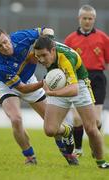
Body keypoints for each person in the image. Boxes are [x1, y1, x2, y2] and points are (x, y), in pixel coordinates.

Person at [0, 28, 78, 166]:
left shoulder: (21, 37)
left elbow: (45, 30)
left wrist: (49, 38)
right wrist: (44, 82)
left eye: (5, 42)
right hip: (8, 86)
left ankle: (66, 151)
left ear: (8, 37)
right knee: (16, 119)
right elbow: (22, 89)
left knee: (52, 124)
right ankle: (30, 156)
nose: (4, 47)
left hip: (29, 79)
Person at [34, 35, 109, 169]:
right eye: (38, 56)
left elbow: (74, 90)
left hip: (79, 85)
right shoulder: (44, 45)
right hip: (59, 84)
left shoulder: (67, 58)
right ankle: (67, 131)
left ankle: (101, 162)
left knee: (91, 128)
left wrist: (52, 93)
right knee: (50, 130)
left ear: (53, 50)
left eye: (44, 55)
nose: (41, 59)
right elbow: (46, 33)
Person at [64, 4, 109, 156]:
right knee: (77, 118)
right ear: (79, 19)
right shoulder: (70, 39)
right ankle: (78, 149)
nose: (87, 21)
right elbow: (65, 62)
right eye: (85, 18)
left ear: (94, 19)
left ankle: (96, 148)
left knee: (95, 121)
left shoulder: (103, 38)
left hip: (97, 79)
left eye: (90, 18)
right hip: (78, 79)